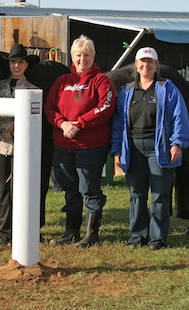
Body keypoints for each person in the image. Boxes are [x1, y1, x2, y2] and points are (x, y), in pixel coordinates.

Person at [111, 46, 189, 250]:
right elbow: (119, 123)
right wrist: (118, 150)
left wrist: (177, 144)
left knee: (159, 194)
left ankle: (157, 238)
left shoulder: (168, 88)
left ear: (156, 66)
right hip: (133, 148)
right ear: (136, 66)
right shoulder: (127, 92)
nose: (146, 65)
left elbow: (179, 117)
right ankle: (138, 236)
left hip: (160, 148)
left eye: (150, 62)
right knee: (136, 193)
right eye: (142, 61)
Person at [44, 34, 116, 248]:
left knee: (89, 188)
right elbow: (49, 108)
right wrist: (63, 124)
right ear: (72, 57)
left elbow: (106, 107)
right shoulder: (62, 82)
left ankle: (91, 234)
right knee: (70, 189)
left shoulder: (101, 81)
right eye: (78, 55)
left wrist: (80, 123)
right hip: (63, 145)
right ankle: (71, 231)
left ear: (93, 57)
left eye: (86, 55)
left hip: (91, 147)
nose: (82, 60)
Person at [0, 44, 40, 246]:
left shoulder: (33, 90)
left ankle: (23, 231)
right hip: (3, 145)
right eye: (13, 62)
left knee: (23, 189)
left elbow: (36, 120)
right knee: (4, 189)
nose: (16, 65)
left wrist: (18, 124)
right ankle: (4, 233)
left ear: (26, 65)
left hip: (25, 147)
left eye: (20, 62)